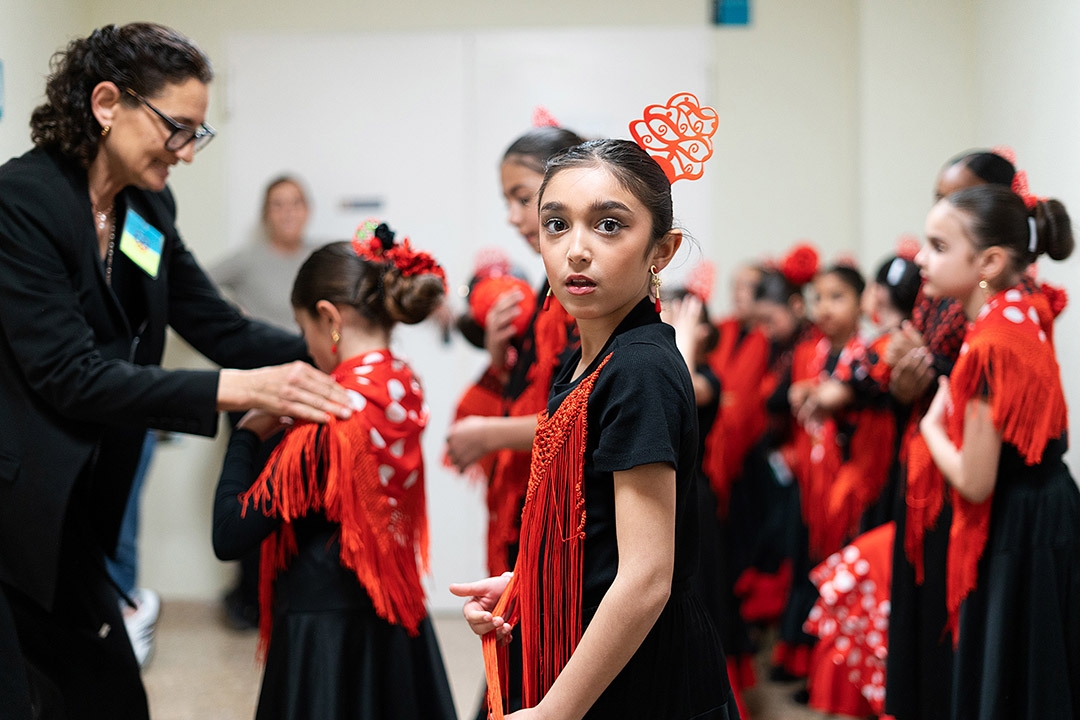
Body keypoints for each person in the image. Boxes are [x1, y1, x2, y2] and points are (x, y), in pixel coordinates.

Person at [0, 23, 351, 719]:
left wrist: (335, 359)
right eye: (178, 128)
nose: (187, 152)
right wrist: (240, 390)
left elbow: (214, 323)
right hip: (15, 507)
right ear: (107, 103)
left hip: (82, 504)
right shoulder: (23, 202)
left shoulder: (146, 207)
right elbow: (71, 373)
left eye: (199, 134)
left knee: (107, 695)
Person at [451, 139, 737, 719]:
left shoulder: (639, 370)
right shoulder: (586, 359)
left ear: (662, 250)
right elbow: (602, 532)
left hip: (644, 680)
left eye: (609, 226)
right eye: (556, 225)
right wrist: (526, 583)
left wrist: (555, 711)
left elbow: (646, 577)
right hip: (600, 650)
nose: (576, 250)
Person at [213, 228, 458, 720]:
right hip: (392, 615)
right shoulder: (401, 384)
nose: (305, 344)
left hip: (322, 635)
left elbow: (230, 533)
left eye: (304, 329)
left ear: (328, 319)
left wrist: (245, 435)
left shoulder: (327, 422)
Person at [916, 184, 1079, 719]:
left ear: (988, 260)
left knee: (1014, 681)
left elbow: (974, 480)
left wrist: (932, 425)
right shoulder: (1024, 309)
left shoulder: (990, 345)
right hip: (1051, 509)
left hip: (1017, 527)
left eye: (938, 247)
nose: (922, 258)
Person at [445, 126, 583, 718]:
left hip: (568, 517)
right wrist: (503, 357)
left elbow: (582, 415)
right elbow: (545, 390)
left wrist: (487, 434)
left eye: (521, 197)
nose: (512, 216)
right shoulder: (546, 293)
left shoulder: (581, 297)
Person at [884, 150, 1017, 720]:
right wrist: (903, 376)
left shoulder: (1003, 317)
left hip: (967, 475)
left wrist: (927, 383)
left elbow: (970, 386)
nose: (938, 213)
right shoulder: (942, 292)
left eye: (954, 199)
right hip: (929, 467)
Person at [211, 174, 316, 631]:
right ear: (266, 213)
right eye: (278, 204)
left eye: (295, 203)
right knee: (253, 495)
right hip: (255, 392)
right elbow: (196, 285)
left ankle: (287, 591)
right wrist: (235, 316)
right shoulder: (249, 260)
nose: (288, 212)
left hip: (305, 390)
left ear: (306, 209)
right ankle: (249, 597)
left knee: (296, 496)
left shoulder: (317, 259)